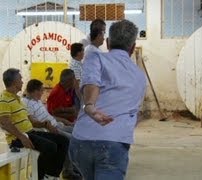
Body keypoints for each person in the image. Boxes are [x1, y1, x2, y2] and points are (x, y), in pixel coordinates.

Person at [69, 19, 146, 180]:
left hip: (81, 141)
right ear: (132, 47)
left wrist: (90, 105)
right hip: (113, 142)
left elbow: (92, 82)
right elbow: (136, 112)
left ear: (109, 43)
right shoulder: (139, 76)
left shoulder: (94, 58)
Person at [0, 68, 68, 180]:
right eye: (20, 79)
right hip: (17, 138)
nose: (22, 81)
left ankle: (51, 175)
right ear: (13, 82)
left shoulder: (18, 99)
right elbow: (5, 123)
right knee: (50, 147)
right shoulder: (4, 100)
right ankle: (38, 177)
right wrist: (22, 137)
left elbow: (30, 120)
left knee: (63, 140)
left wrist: (45, 125)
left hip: (30, 132)